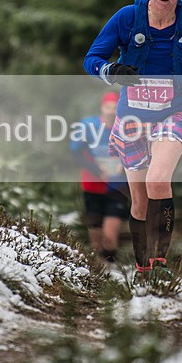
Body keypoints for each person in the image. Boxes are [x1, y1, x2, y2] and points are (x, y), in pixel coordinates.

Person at [84, 0, 182, 276]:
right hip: (132, 118)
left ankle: (160, 263)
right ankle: (144, 268)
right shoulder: (127, 18)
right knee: (139, 202)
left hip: (175, 113)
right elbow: (92, 58)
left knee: (158, 179)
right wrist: (111, 70)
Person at [69, 91, 129, 265]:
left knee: (109, 237)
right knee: (96, 241)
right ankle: (99, 279)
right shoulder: (89, 125)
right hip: (92, 186)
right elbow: (75, 153)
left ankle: (111, 272)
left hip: (117, 187)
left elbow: (137, 153)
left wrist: (123, 166)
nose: (111, 111)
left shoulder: (127, 128)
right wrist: (96, 169)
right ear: (102, 108)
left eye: (115, 107)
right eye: (108, 107)